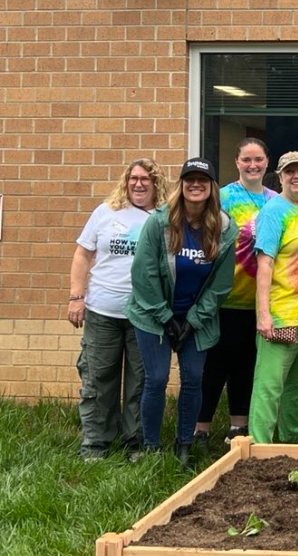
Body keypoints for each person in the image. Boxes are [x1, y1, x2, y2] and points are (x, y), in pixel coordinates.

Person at [125, 157, 236, 463]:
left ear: (212, 186)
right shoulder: (160, 221)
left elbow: (221, 285)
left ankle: (184, 445)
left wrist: (192, 320)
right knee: (157, 378)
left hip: (195, 318)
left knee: (193, 379)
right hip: (153, 314)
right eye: (189, 179)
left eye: (202, 179)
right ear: (182, 184)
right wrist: (166, 318)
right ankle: (149, 447)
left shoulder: (225, 227)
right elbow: (143, 273)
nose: (195, 184)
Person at [68, 158, 168, 461]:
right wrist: (76, 296)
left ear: (156, 183)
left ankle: (134, 443)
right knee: (98, 378)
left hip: (145, 316)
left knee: (141, 382)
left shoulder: (164, 217)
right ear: (126, 181)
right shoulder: (105, 212)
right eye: (133, 178)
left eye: (146, 179)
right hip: (103, 311)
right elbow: (83, 254)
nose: (138, 184)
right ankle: (95, 444)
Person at [195, 138, 277, 445]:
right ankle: (200, 429)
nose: (253, 165)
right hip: (224, 298)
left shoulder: (275, 201)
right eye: (247, 160)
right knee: (214, 367)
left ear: (267, 162)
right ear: (237, 162)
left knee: (246, 367)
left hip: (259, 302)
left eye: (258, 159)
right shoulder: (223, 197)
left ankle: (237, 428)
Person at [250, 151, 298, 444]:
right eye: (289, 171)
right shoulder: (273, 211)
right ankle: (260, 447)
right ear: (280, 176)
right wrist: (264, 313)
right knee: (270, 386)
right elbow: (265, 264)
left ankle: (292, 443)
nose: (296, 176)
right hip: (283, 313)